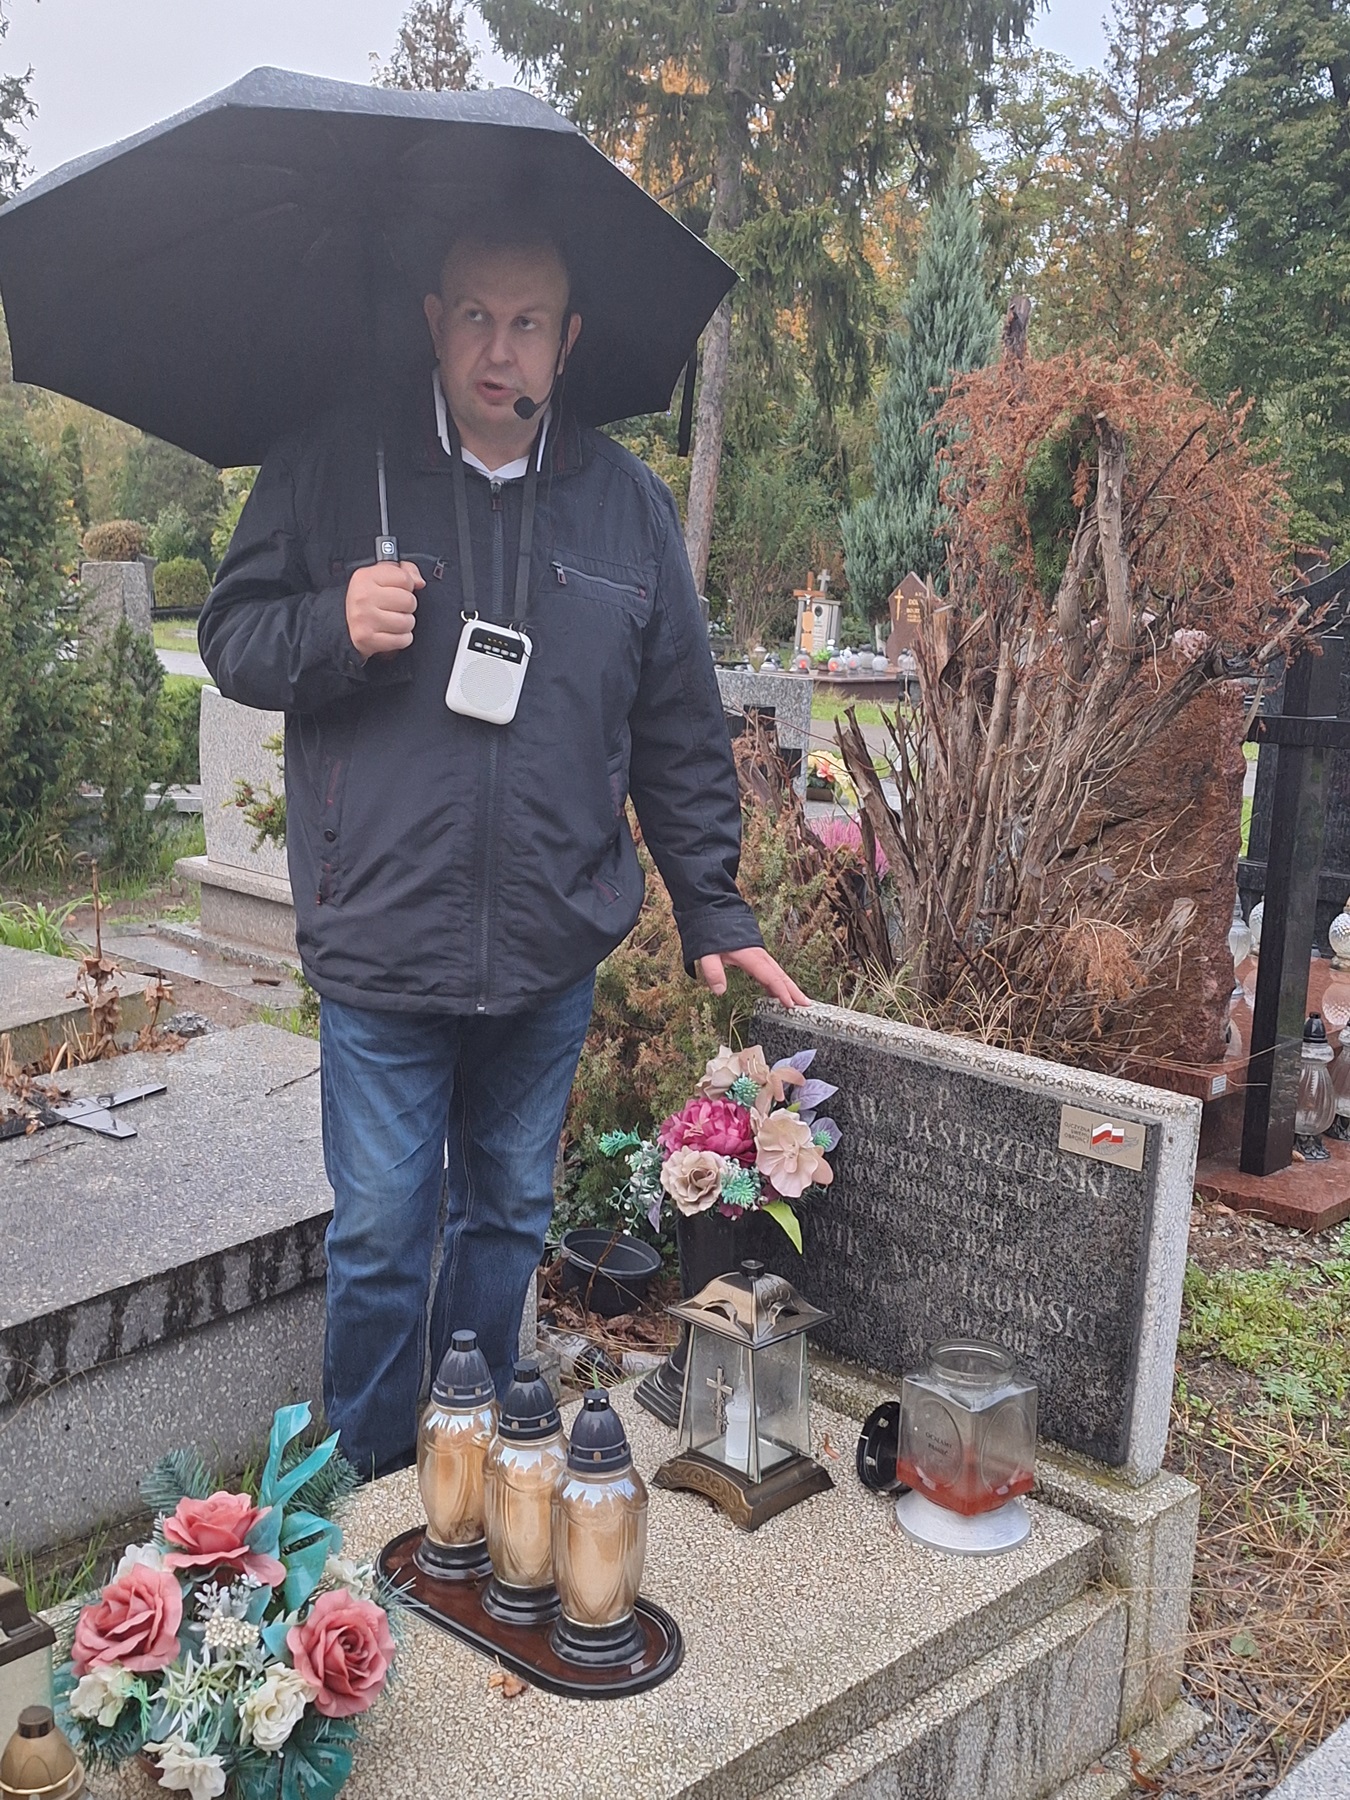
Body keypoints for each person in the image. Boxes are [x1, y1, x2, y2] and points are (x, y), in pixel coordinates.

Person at [199, 221, 808, 1478]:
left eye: (528, 322)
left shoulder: (625, 505)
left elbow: (676, 721)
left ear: (567, 340)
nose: (499, 348)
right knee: (380, 1237)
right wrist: (332, 622)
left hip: (547, 947)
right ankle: (370, 1497)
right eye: (475, 315)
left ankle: (465, 1482)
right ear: (434, 320)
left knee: (506, 1223)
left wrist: (711, 904)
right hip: (383, 938)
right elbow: (232, 634)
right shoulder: (338, 462)